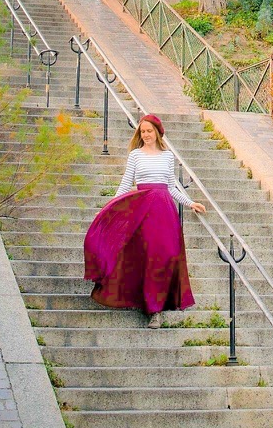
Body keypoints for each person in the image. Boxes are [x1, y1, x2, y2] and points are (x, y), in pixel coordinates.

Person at [82, 115, 206, 320]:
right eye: (143, 132)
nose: (146, 135)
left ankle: (160, 300)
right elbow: (125, 184)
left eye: (149, 131)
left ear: (157, 132)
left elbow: (171, 186)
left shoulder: (167, 156)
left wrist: (189, 202)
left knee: (167, 253)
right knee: (148, 255)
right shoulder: (135, 156)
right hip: (142, 209)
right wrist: (108, 208)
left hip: (164, 210)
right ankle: (152, 309)